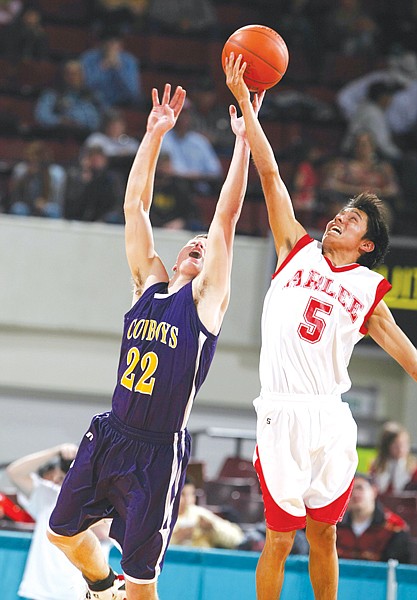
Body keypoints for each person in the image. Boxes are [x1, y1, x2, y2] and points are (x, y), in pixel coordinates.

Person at [47, 82, 262, 600]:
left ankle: (124, 587)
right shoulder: (150, 285)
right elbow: (135, 208)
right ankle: (101, 585)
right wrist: (153, 134)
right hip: (112, 430)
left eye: (206, 245)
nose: (199, 242)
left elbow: (227, 218)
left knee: (144, 581)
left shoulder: (206, 302)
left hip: (156, 453)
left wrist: (244, 140)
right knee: (60, 534)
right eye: (193, 239)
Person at [225, 52, 417, 600]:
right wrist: (247, 106)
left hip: (330, 417)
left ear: (367, 245)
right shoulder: (295, 248)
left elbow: (407, 357)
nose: (338, 217)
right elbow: (270, 173)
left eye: (351, 219)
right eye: (340, 211)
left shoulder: (366, 291)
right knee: (279, 540)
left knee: (324, 532)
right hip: (280, 411)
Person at [6, 444, 86, 600]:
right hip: (38, 593)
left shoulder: (102, 503)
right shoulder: (46, 495)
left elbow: (103, 533)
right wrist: (56, 451)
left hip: (77, 595)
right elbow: (14, 472)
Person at [336, 473, 411, 563]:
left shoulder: (395, 528)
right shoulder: (335, 526)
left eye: (360, 488)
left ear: (374, 491)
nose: (354, 494)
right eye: (349, 489)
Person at [34, 60, 102, 137]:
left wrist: (82, 123)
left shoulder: (92, 96)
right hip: (59, 136)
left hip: (85, 137)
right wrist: (60, 121)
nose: (75, 78)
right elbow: (42, 116)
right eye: (71, 74)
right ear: (65, 76)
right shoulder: (52, 94)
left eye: (79, 74)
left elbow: (98, 120)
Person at [170, 478, 244, 549]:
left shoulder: (200, 514)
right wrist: (176, 538)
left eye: (191, 494)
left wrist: (213, 528)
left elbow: (237, 538)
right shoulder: (164, 518)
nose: (187, 500)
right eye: (182, 494)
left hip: (203, 560)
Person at [80, 29, 141, 108]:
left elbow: (133, 92)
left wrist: (118, 69)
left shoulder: (129, 61)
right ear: (101, 43)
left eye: (114, 43)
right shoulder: (88, 58)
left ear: (120, 45)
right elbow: (84, 86)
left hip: (121, 104)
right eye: (107, 42)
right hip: (92, 103)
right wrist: (103, 67)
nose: (110, 46)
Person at [7, 140, 66, 218]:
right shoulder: (22, 171)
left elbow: (57, 200)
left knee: (54, 210)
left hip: (45, 205)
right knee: (18, 208)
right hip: (27, 205)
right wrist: (32, 203)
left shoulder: (54, 174)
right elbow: (15, 197)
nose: (33, 164)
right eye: (30, 161)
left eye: (36, 161)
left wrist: (44, 204)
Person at [369, 421, 417, 494]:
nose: (401, 449)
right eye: (396, 445)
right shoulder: (377, 467)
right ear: (386, 446)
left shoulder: (413, 468)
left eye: (404, 444)